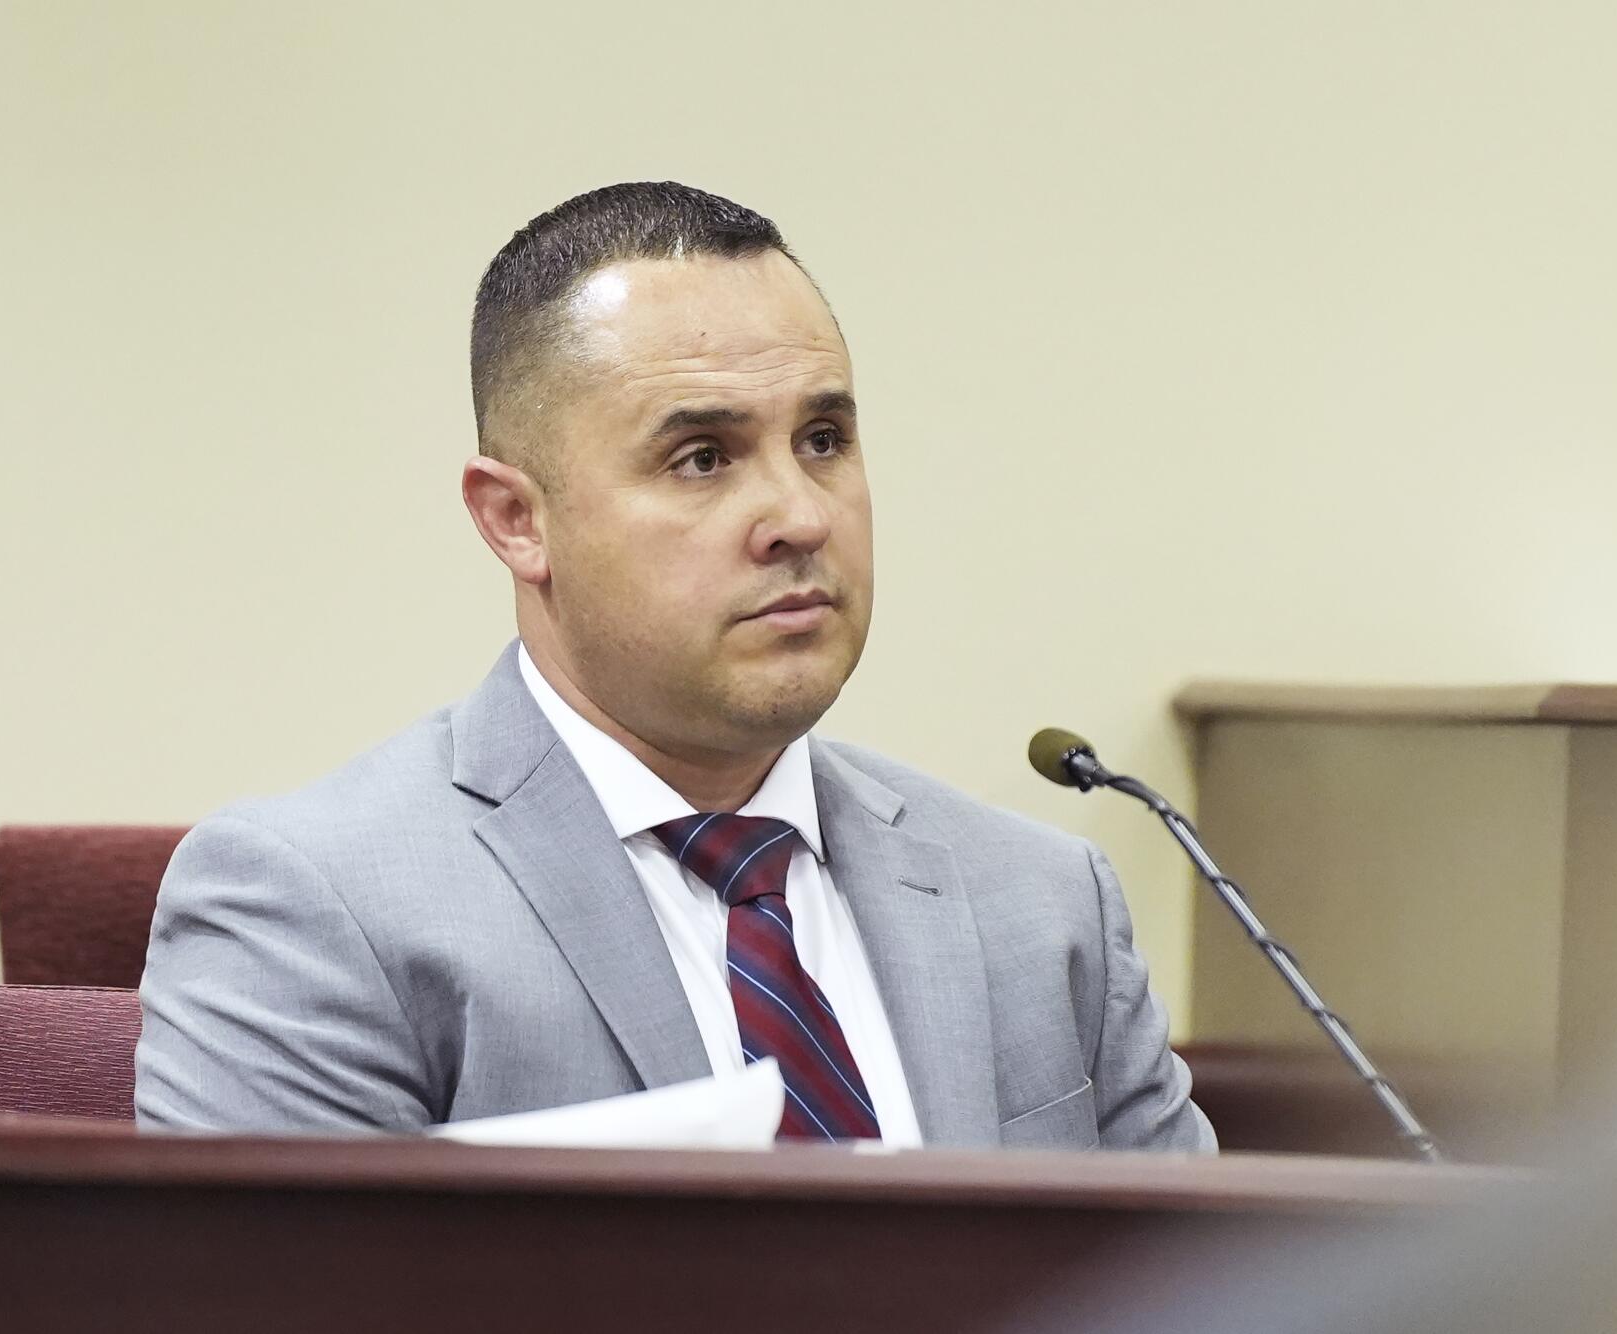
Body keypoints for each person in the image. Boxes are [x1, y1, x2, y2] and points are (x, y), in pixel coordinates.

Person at [135, 181, 1213, 1151]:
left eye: (824, 439)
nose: (796, 514)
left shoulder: (1040, 903)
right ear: (516, 519)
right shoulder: (316, 908)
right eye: (701, 457)